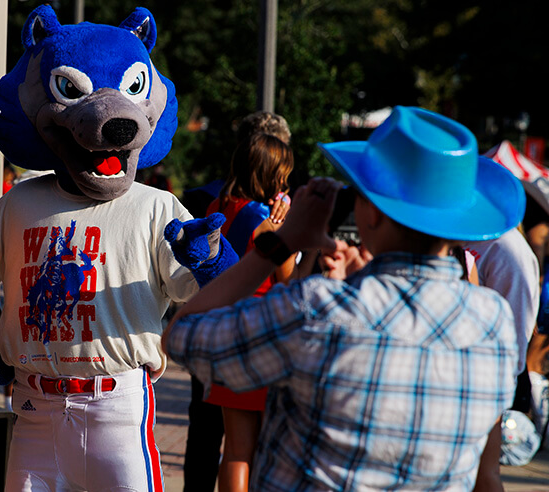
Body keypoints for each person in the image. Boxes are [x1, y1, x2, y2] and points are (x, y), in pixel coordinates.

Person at [163, 106, 524, 490]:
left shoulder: (318, 309)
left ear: (372, 213)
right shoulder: (494, 322)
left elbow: (181, 334)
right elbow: (488, 479)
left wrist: (280, 243)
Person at [182, 112, 293, 492]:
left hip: (219, 334)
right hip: (257, 338)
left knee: (227, 446)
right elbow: (290, 279)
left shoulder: (215, 207)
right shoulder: (263, 221)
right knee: (252, 449)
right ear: (270, 173)